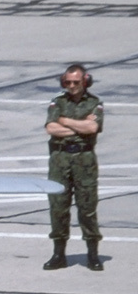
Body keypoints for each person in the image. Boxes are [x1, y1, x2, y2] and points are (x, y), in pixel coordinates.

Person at [45, 64, 103, 270]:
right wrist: (79, 128)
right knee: (58, 207)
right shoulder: (57, 102)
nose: (71, 86)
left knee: (87, 208)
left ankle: (93, 255)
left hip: (84, 161)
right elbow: (51, 128)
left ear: (85, 82)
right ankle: (58, 254)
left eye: (76, 82)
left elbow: (93, 127)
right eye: (67, 82)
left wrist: (65, 121)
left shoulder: (94, 103)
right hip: (60, 160)